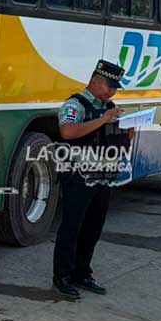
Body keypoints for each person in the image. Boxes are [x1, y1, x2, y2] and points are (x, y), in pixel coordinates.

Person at [52, 60, 128, 300]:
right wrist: (104, 119)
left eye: (115, 88)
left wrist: (126, 130)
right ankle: (62, 277)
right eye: (109, 86)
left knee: (93, 227)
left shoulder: (109, 107)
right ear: (95, 81)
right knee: (72, 226)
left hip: (103, 175)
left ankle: (82, 273)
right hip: (78, 175)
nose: (112, 92)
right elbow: (68, 132)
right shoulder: (75, 105)